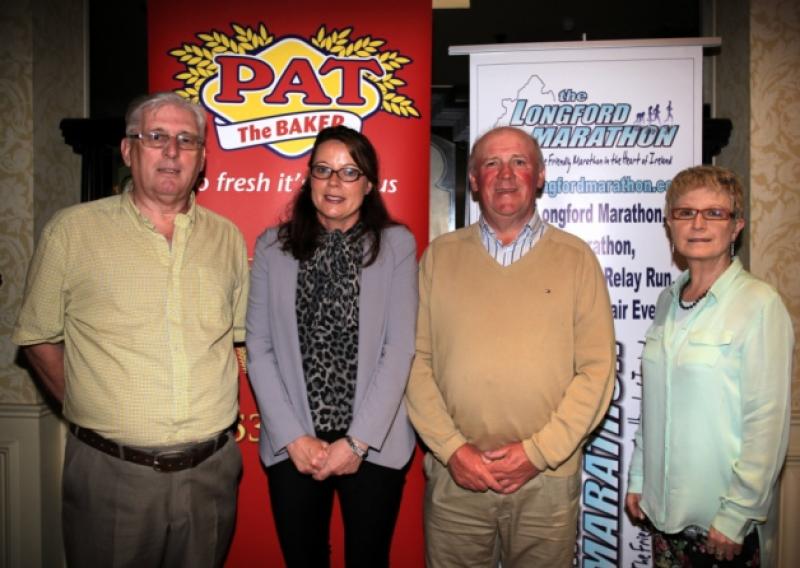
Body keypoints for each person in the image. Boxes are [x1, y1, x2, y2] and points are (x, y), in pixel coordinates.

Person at [12, 92, 249, 567]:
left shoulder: (227, 237)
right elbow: (36, 335)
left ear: (202, 158)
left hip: (212, 474)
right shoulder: (72, 231)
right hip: (111, 474)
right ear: (128, 150)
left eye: (187, 140)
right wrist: (88, 405)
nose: (172, 152)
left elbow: (236, 337)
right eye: (156, 137)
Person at [405, 126, 616, 567]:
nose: (505, 175)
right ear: (474, 180)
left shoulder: (577, 259)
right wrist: (452, 449)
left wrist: (536, 454)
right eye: (491, 163)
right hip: (455, 477)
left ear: (539, 176)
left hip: (547, 481)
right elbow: (414, 363)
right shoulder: (439, 257)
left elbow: (597, 370)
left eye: (519, 162)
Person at [246, 125, 417, 567]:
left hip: (374, 444)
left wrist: (356, 442)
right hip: (294, 443)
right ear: (309, 179)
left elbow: (398, 349)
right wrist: (293, 437)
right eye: (323, 170)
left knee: (368, 559)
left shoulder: (397, 245)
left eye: (348, 171)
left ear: (369, 183)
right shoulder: (272, 247)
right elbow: (259, 348)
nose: (335, 182)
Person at [626, 165, 793, 567]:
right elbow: (656, 406)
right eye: (685, 212)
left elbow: (766, 424)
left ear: (736, 226)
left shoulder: (759, 305)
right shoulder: (668, 301)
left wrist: (735, 517)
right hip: (663, 519)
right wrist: (639, 480)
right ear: (670, 224)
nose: (698, 224)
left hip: (719, 528)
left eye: (714, 213)